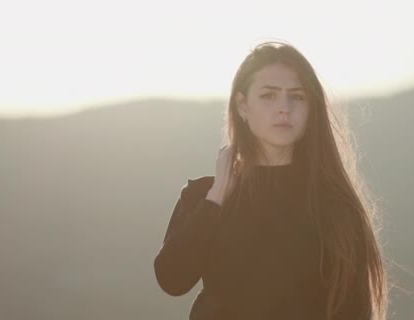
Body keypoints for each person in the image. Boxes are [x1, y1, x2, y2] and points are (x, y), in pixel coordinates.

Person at [153, 41, 389, 320]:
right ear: (242, 106)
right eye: (269, 96)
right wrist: (216, 198)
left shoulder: (335, 205)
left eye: (297, 97)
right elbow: (172, 279)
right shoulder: (205, 195)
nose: (284, 108)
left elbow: (353, 310)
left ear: (310, 108)